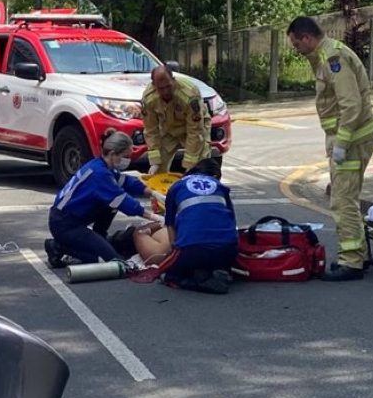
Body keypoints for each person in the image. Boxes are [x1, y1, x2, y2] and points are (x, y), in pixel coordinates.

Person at [287, 16, 373, 281]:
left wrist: (341, 143)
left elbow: (350, 104)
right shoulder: (325, 56)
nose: (297, 50)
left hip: (351, 139)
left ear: (307, 38)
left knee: (342, 200)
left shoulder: (333, 59)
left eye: (297, 44)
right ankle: (359, 256)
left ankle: (351, 262)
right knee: (346, 197)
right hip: (349, 137)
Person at [44, 129, 163, 267]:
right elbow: (124, 202)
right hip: (65, 225)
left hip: (72, 219)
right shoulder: (100, 174)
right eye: (125, 156)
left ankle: (100, 236)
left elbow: (128, 182)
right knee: (110, 260)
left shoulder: (104, 166)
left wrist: (153, 193)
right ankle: (58, 246)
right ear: (112, 154)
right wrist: (155, 218)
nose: (128, 160)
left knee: (110, 204)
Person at [154, 158, 238, 293]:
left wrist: (173, 252)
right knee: (210, 258)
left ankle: (196, 282)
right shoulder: (219, 186)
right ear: (216, 176)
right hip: (227, 250)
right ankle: (216, 270)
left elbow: (170, 224)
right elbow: (232, 221)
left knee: (164, 274)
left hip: (193, 249)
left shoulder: (176, 186)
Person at [141, 64, 212, 175]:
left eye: (168, 86)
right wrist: (155, 161)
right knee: (158, 171)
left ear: (173, 80)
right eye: (161, 88)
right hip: (169, 130)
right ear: (154, 86)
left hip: (196, 128)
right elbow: (151, 130)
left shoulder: (190, 94)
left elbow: (195, 131)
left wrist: (190, 165)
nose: (165, 92)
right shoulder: (149, 98)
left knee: (199, 169)